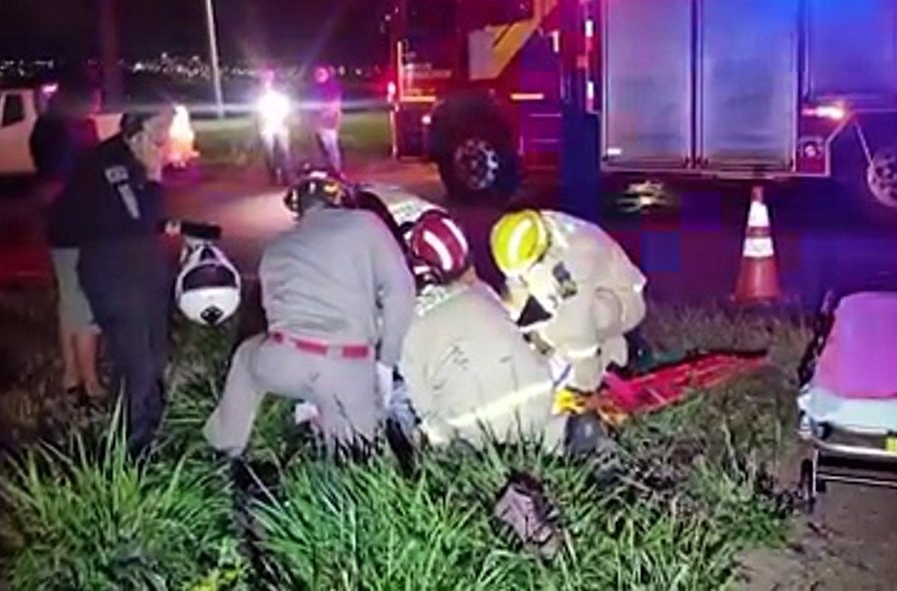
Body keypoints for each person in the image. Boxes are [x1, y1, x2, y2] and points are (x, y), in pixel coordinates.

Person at [203, 170, 415, 458]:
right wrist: (386, 362)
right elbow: (401, 291)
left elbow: (271, 311)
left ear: (298, 207)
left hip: (283, 361)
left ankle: (223, 449)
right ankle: (332, 439)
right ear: (340, 198)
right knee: (358, 459)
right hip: (346, 368)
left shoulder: (276, 246)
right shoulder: (366, 224)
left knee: (246, 357)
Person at [382, 205, 566, 452]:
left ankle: (473, 456)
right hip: (539, 400)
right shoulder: (483, 291)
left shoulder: (405, 325)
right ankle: (563, 434)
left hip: (475, 428)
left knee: (405, 408)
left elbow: (423, 404)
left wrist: (438, 442)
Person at [49, 106, 176, 455]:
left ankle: (152, 430)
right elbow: (137, 217)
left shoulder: (134, 159)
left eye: (170, 125)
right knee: (137, 360)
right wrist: (153, 176)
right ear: (138, 126)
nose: (166, 134)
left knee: (154, 353)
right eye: (161, 125)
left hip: (140, 264)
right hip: (113, 269)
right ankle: (133, 449)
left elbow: (149, 220)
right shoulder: (111, 163)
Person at [489, 208, 648, 394]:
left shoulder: (577, 256)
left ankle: (617, 355)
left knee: (580, 327)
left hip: (620, 300)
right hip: (570, 296)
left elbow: (578, 326)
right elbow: (516, 291)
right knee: (549, 335)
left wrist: (584, 385)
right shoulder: (525, 235)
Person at [35, 81, 105, 408]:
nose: (98, 103)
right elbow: (63, 181)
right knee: (86, 302)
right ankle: (90, 382)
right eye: (94, 97)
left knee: (69, 301)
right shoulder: (71, 131)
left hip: (59, 226)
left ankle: (71, 375)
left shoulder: (47, 126)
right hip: (79, 226)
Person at [309, 65, 344, 173]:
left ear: (327, 74)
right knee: (322, 148)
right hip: (318, 123)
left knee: (332, 147)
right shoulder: (314, 89)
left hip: (329, 122)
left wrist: (329, 114)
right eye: (317, 74)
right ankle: (328, 168)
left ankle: (336, 170)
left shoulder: (333, 88)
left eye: (321, 73)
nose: (319, 76)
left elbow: (335, 105)